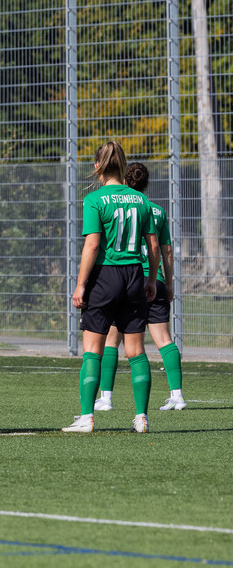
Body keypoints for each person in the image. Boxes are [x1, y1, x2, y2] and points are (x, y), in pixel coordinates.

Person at [65, 141, 159, 434]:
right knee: (136, 351)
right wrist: (151, 280)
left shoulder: (95, 199)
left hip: (105, 277)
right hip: (134, 276)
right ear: (123, 166)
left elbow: (92, 245)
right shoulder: (141, 200)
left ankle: (86, 417)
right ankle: (141, 417)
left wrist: (81, 285)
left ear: (97, 167)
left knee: (93, 350)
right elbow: (153, 246)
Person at [94, 162, 185, 413]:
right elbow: (165, 250)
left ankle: (106, 398)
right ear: (146, 184)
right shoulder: (157, 211)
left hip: (128, 279)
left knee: (113, 339)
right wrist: (167, 283)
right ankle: (177, 395)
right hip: (154, 279)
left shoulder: (117, 205)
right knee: (164, 339)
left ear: (125, 181)